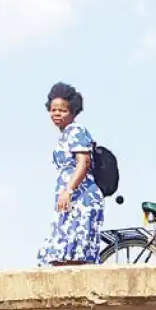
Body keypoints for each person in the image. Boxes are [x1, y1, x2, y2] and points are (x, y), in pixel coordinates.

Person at [36, 82, 104, 266]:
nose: (57, 114)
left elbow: (84, 162)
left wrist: (69, 190)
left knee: (73, 254)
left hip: (81, 197)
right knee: (61, 254)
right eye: (53, 110)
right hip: (69, 198)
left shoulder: (76, 130)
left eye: (63, 110)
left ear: (73, 112)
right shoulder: (65, 134)